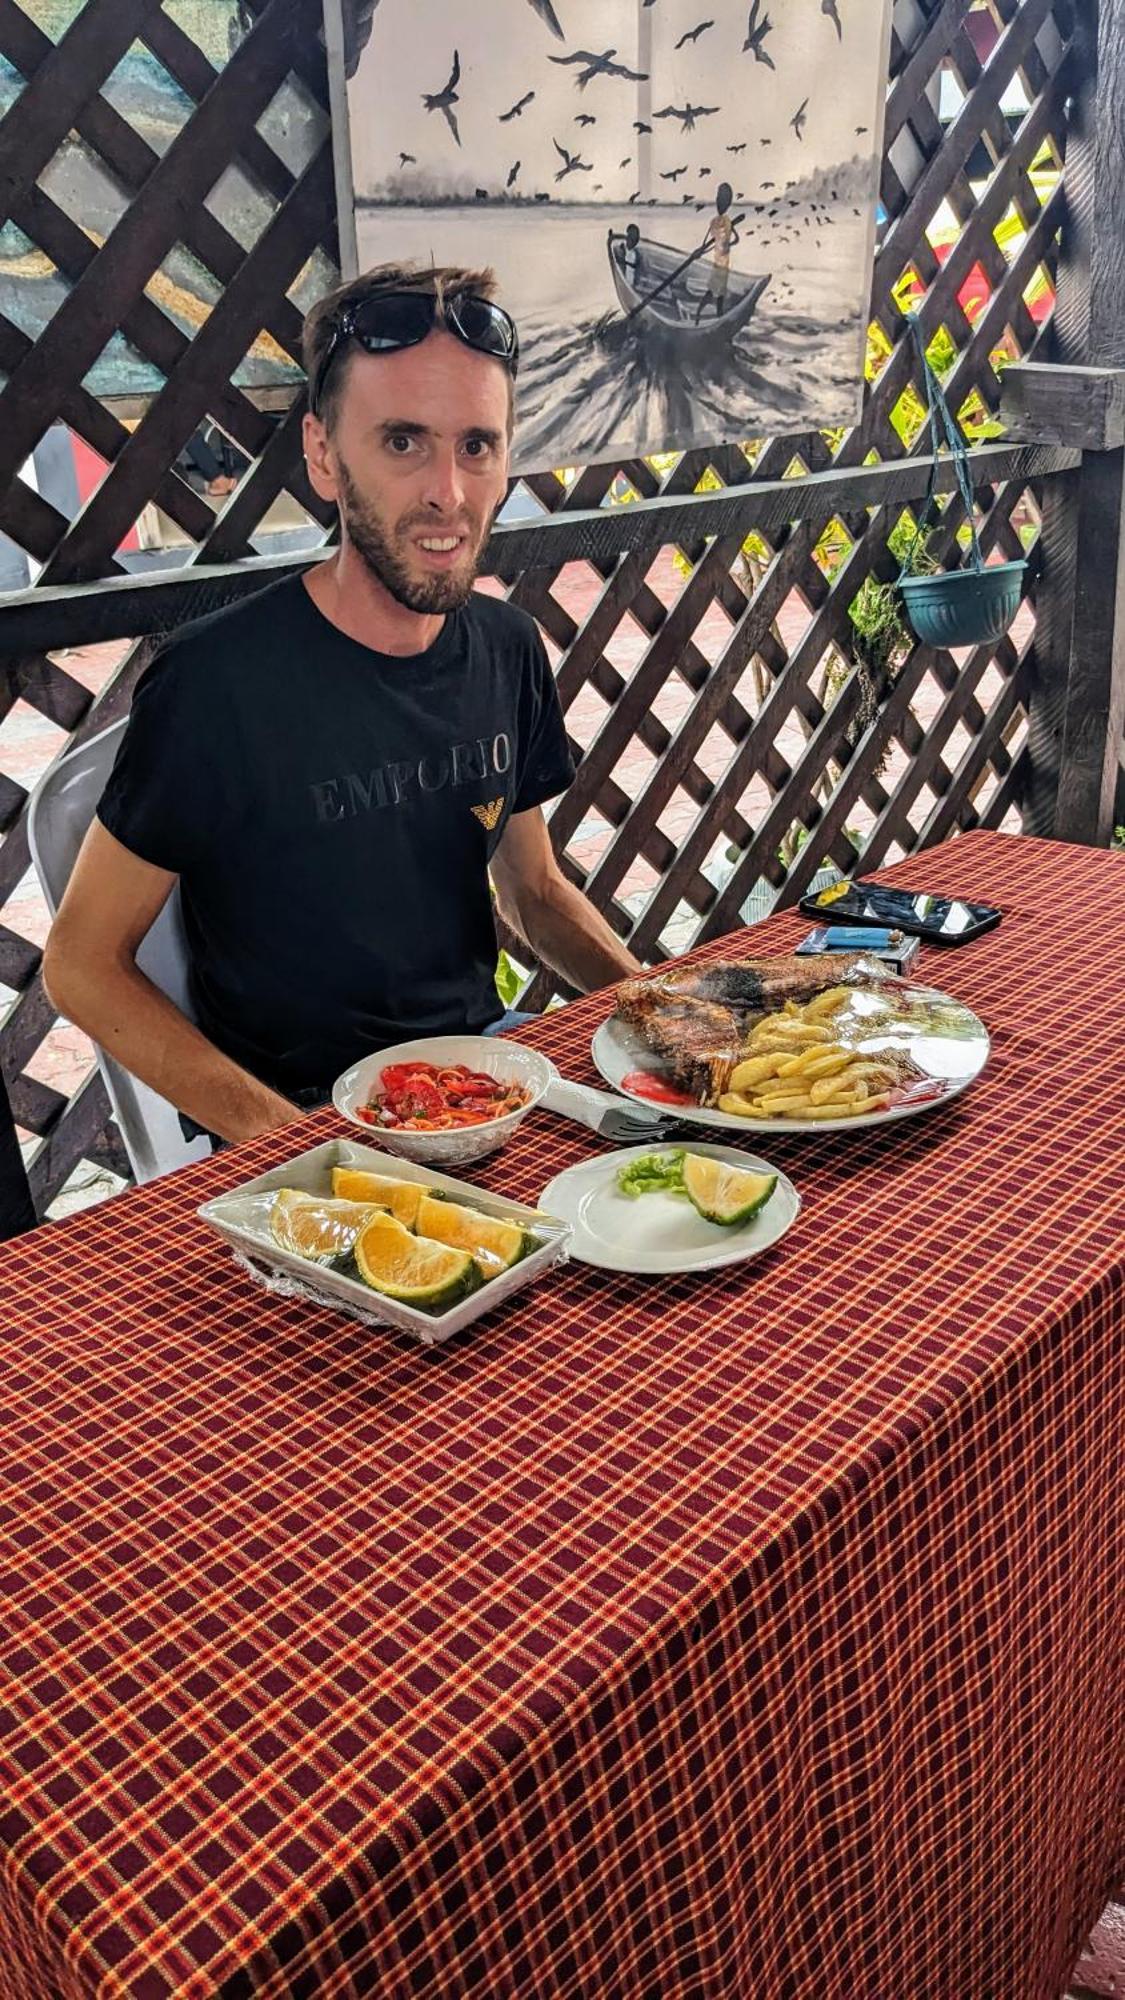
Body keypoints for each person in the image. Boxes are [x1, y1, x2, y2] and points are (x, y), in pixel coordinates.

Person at [43, 262, 642, 1147]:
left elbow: (533, 893)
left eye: (476, 445)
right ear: (323, 453)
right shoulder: (216, 685)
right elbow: (79, 966)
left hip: (490, 1080)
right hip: (297, 1121)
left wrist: (663, 1014)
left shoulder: (507, 647)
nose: (449, 491)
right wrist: (303, 1152)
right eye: (403, 443)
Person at [694, 181, 739, 324]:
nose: (720, 204)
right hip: (720, 262)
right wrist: (702, 251)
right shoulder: (717, 221)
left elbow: (733, 240)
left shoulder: (725, 221)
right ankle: (701, 314)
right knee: (713, 292)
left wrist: (727, 243)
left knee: (718, 293)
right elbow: (714, 242)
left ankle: (714, 316)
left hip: (723, 262)